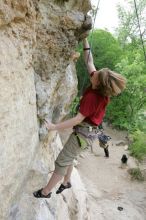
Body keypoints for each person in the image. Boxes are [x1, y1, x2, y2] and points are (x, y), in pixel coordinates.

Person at [33, 38, 126, 198]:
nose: (93, 72)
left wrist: (54, 127)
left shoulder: (93, 98)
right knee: (70, 156)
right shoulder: (100, 87)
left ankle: (45, 192)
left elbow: (77, 119)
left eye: (96, 74)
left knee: (62, 161)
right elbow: (89, 60)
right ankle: (66, 181)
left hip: (83, 134)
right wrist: (85, 39)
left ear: (98, 83)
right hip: (88, 132)